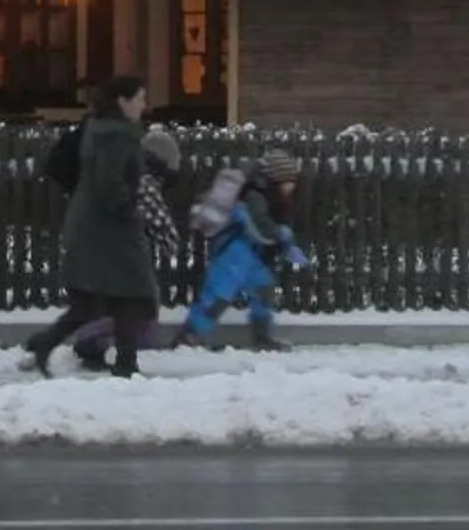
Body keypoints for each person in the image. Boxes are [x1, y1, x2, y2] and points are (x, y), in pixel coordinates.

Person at [20, 76, 159, 378]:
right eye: (139, 98)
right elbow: (109, 182)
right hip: (107, 228)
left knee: (105, 300)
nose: (143, 105)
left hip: (94, 224)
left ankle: (119, 363)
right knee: (128, 295)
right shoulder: (117, 135)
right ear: (123, 101)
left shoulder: (101, 129)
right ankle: (123, 365)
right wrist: (130, 212)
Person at [71, 125, 182, 372]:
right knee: (143, 315)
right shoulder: (147, 183)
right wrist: (169, 244)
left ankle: (95, 346)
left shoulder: (126, 175)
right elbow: (160, 222)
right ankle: (92, 339)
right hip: (125, 256)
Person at [179, 148, 306, 351]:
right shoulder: (256, 194)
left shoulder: (267, 193)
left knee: (264, 291)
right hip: (235, 251)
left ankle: (262, 337)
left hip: (252, 254)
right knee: (218, 296)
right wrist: (282, 236)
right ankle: (189, 336)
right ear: (277, 178)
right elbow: (261, 225)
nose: (292, 186)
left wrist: (282, 242)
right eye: (288, 180)